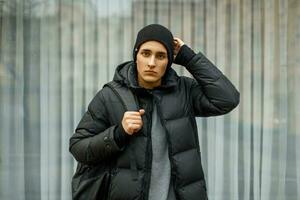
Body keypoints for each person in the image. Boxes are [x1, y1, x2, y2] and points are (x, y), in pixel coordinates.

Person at [69, 24, 240, 200]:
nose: (152, 63)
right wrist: (118, 133)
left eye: (161, 56)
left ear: (169, 61)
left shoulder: (184, 91)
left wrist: (188, 57)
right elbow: (78, 147)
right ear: (136, 56)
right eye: (146, 53)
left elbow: (227, 99)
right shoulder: (110, 96)